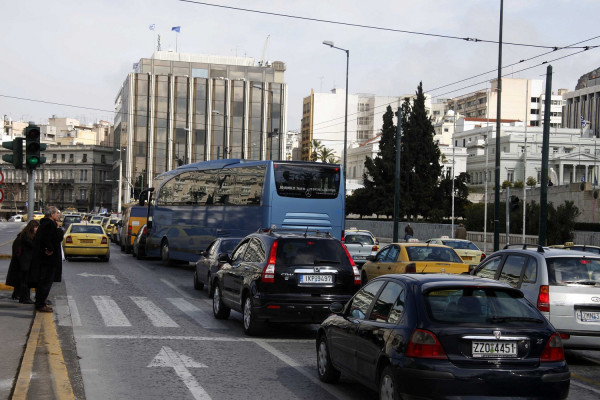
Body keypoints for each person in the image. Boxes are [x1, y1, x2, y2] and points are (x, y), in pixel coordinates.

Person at [29, 206, 64, 313]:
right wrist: (50, 248)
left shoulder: (45, 224)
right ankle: (41, 304)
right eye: (57, 213)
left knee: (44, 281)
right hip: (48, 260)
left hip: (44, 259)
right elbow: (52, 238)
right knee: (46, 281)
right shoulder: (50, 224)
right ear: (52, 214)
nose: (59, 215)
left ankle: (41, 301)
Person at [5, 220, 40, 304]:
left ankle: (20, 296)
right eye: (36, 227)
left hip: (25, 262)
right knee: (25, 281)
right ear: (31, 228)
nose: (37, 229)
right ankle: (25, 298)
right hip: (24, 262)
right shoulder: (25, 237)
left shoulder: (24, 236)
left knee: (23, 280)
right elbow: (32, 246)